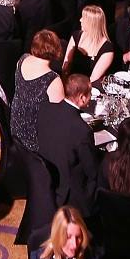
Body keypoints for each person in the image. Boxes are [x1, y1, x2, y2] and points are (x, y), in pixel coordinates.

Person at [39, 73, 102, 215]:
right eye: (90, 94)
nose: (91, 98)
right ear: (82, 97)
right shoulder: (82, 130)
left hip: (46, 178)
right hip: (68, 192)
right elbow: (92, 171)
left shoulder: (45, 109)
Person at [12, 28, 65, 154]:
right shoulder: (53, 80)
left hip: (15, 127)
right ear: (56, 50)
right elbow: (60, 116)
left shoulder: (22, 60)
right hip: (35, 140)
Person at [64, 3, 117, 82]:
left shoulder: (107, 49)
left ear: (91, 23)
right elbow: (66, 64)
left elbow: (93, 79)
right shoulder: (76, 36)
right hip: (71, 81)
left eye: (83, 18)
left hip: (88, 87)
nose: (80, 20)